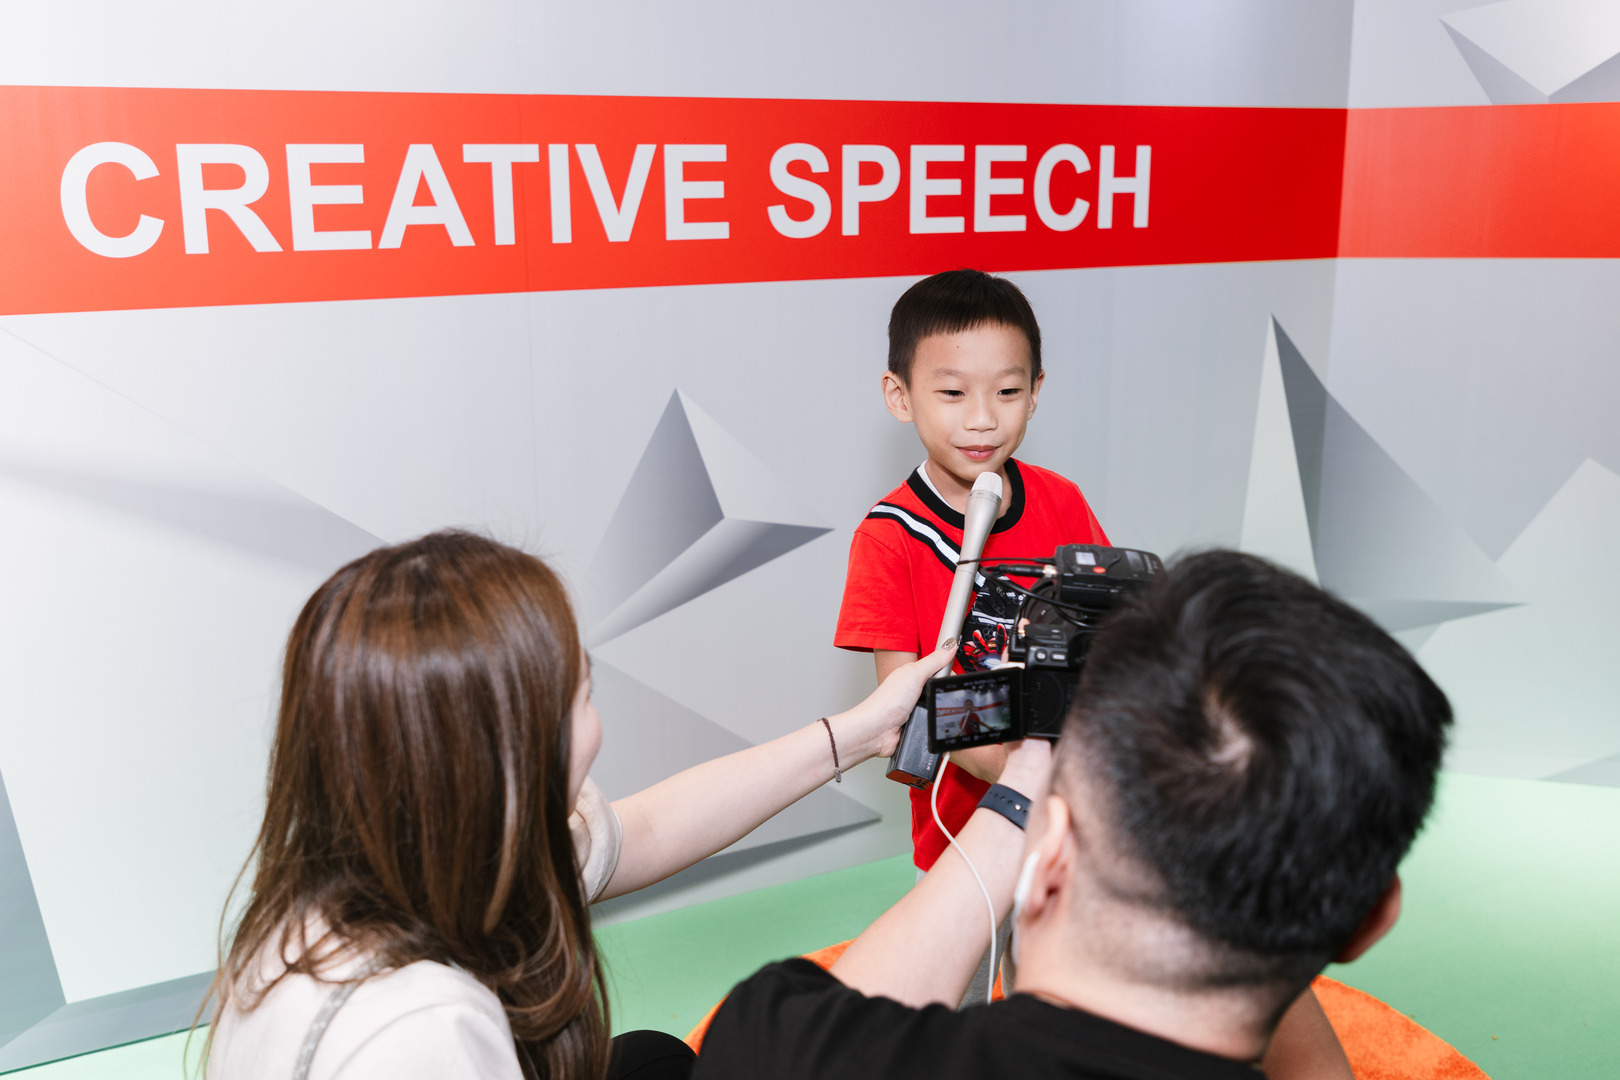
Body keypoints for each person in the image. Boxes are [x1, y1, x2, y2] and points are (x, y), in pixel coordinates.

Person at [202, 530, 951, 1080]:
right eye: (584, 692)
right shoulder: (423, 1031)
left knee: (652, 1061)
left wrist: (863, 732)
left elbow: (649, 828)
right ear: (514, 748)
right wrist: (1006, 818)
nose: (596, 719)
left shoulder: (412, 858)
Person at [695, 551, 1452, 1080]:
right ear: (1370, 919)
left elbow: (828, 1028)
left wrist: (1023, 791)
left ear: (1050, 853)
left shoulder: (773, 1044)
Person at [834, 268, 1107, 996]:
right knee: (956, 1019)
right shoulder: (888, 538)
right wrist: (1019, 768)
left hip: (1071, 827)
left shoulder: (1062, 501)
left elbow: (1106, 641)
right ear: (900, 396)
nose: (983, 419)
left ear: (1036, 391)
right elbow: (906, 707)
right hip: (963, 834)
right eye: (952, 393)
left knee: (1058, 1006)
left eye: (1007, 392)